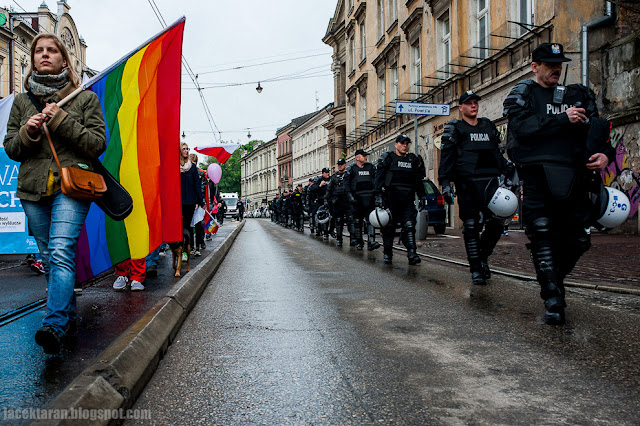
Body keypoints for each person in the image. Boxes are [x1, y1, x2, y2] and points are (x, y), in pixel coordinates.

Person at [4, 34, 106, 354]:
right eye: (39, 51)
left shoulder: (83, 99)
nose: (44, 55)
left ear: (65, 59)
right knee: (49, 259)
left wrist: (60, 120)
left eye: (52, 50)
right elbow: (11, 148)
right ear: (33, 59)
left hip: (71, 187)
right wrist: (28, 131)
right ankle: (67, 315)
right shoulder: (22, 102)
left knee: (61, 251)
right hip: (32, 191)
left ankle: (54, 324)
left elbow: (96, 144)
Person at [503, 42, 614, 325]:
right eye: (549, 64)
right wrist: (561, 119)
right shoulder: (523, 93)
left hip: (575, 175)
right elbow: (521, 130)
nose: (556, 69)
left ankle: (552, 278)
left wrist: (605, 154)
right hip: (538, 174)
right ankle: (553, 300)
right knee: (542, 233)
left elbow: (599, 131)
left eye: (559, 64)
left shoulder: (578, 94)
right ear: (534, 66)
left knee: (578, 239)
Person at [438, 90, 514, 285]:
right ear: (461, 107)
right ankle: (476, 269)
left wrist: (508, 169)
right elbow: (447, 159)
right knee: (471, 226)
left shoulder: (488, 126)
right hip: (467, 185)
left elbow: (496, 154)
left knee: (497, 223)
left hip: (490, 184)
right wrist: (445, 184)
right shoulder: (456, 128)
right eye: (469, 103)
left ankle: (482, 257)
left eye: (475, 102)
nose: (474, 105)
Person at [374, 134, 428, 265]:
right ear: (396, 144)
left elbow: (418, 180)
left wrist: (422, 196)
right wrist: (378, 197)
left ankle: (412, 254)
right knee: (389, 228)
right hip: (391, 198)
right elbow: (378, 179)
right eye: (402, 143)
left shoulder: (412, 160)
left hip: (407, 199)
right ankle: (387, 254)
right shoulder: (388, 158)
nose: (405, 146)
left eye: (406, 143)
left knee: (409, 226)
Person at [346, 149, 381, 251]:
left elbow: (376, 181)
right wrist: (350, 197)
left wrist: (377, 195)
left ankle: (371, 242)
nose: (365, 157)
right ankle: (359, 242)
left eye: (366, 155)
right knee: (357, 221)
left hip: (369, 198)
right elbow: (346, 185)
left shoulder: (371, 167)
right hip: (357, 200)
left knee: (371, 221)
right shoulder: (351, 169)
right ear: (357, 157)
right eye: (363, 155)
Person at [180, 143, 203, 261]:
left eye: (187, 149)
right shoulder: (175, 165)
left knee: (187, 227)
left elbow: (197, 185)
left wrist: (199, 201)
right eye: (184, 149)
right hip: (178, 202)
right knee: (179, 227)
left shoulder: (192, 167)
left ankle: (185, 251)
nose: (186, 151)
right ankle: (179, 249)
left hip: (189, 202)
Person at [326, 158, 351, 246]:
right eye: (338, 165)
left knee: (350, 220)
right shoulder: (334, 176)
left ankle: (353, 239)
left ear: (345, 165)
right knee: (338, 220)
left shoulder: (349, 175)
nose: (340, 166)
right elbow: (329, 189)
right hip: (337, 201)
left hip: (347, 201)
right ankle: (339, 239)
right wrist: (327, 200)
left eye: (341, 164)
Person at [309, 168, 332, 239]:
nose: (327, 173)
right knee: (322, 217)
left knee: (329, 217)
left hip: (329, 201)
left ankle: (328, 231)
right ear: (322, 173)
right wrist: (319, 185)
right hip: (320, 201)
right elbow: (311, 189)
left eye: (328, 172)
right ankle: (322, 231)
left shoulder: (331, 179)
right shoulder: (318, 179)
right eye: (326, 172)